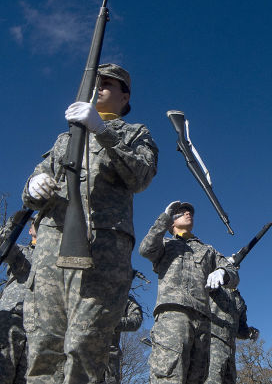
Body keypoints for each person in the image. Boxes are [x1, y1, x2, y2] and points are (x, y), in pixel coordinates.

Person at [21, 64, 158, 383]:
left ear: (125, 97)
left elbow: (141, 176)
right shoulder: (63, 139)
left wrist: (102, 130)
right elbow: (38, 181)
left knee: (87, 346)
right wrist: (33, 186)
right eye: (94, 82)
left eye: (108, 84)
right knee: (44, 348)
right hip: (51, 250)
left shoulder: (134, 133)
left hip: (102, 253)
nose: (99, 88)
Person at [139, 201, 239, 384]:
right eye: (181, 212)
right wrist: (163, 218)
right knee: (168, 375)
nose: (187, 213)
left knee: (198, 377)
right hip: (173, 315)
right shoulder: (165, 244)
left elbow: (233, 272)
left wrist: (223, 272)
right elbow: (145, 250)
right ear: (172, 222)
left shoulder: (207, 250)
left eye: (190, 211)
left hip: (203, 320)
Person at [205, 264, 258, 384]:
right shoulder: (216, 283)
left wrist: (251, 332)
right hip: (212, 344)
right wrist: (221, 269)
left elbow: (241, 330)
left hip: (230, 351)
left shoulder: (240, 300)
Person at [0, 219, 36, 384]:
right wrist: (13, 222)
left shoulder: (54, 260)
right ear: (30, 230)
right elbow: (4, 242)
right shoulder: (20, 250)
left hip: (35, 326)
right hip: (11, 318)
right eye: (37, 222)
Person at [104, 293, 143, 384]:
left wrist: (108, 322)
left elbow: (136, 320)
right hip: (76, 357)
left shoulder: (121, 295)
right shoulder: (80, 288)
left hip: (108, 361)